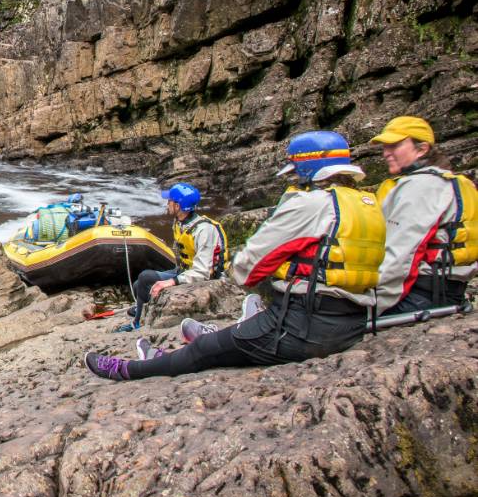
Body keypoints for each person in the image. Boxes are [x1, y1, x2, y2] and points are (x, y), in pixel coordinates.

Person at [86, 131, 385, 381]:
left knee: (203, 351)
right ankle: (235, 325)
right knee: (226, 337)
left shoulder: (309, 204)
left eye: (294, 173)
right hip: (352, 323)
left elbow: (247, 269)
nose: (293, 180)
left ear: (308, 170)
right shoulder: (367, 203)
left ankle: (131, 369)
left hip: (303, 327)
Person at [371, 116, 477, 315]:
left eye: (394, 146)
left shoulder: (421, 186)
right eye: (384, 147)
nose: (386, 153)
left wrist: (372, 307)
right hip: (451, 292)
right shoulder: (458, 182)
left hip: (418, 295)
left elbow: (400, 258)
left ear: (422, 149)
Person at [114, 183, 229, 332]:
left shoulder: (204, 230)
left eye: (170, 201)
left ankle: (137, 323)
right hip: (185, 270)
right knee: (137, 285)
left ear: (177, 206)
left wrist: (172, 281)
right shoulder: (180, 222)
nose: (167, 203)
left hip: (206, 278)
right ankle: (144, 308)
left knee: (145, 277)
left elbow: (203, 272)